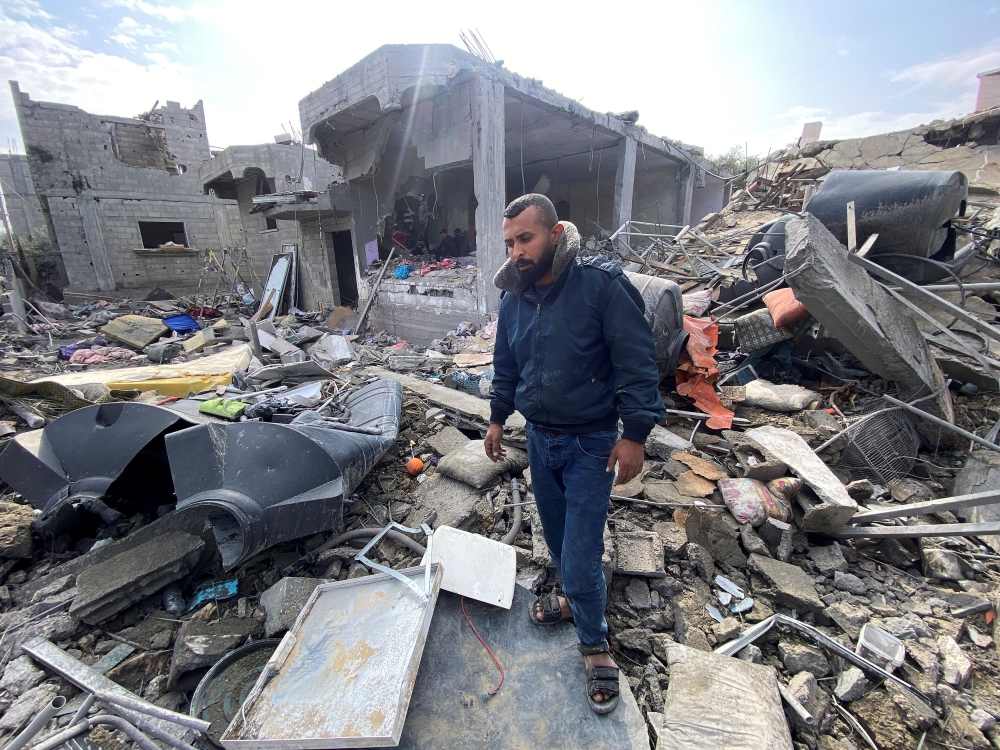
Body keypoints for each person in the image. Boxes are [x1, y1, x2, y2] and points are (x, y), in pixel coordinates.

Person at [485, 193, 664, 714]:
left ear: (556, 233)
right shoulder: (515, 297)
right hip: (541, 439)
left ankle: (594, 641)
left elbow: (637, 361)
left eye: (526, 238)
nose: (517, 251)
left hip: (592, 444)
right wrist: (499, 417)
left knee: (583, 550)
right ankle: (574, 598)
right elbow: (506, 364)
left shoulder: (599, 285)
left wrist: (635, 434)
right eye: (510, 241)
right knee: (559, 538)